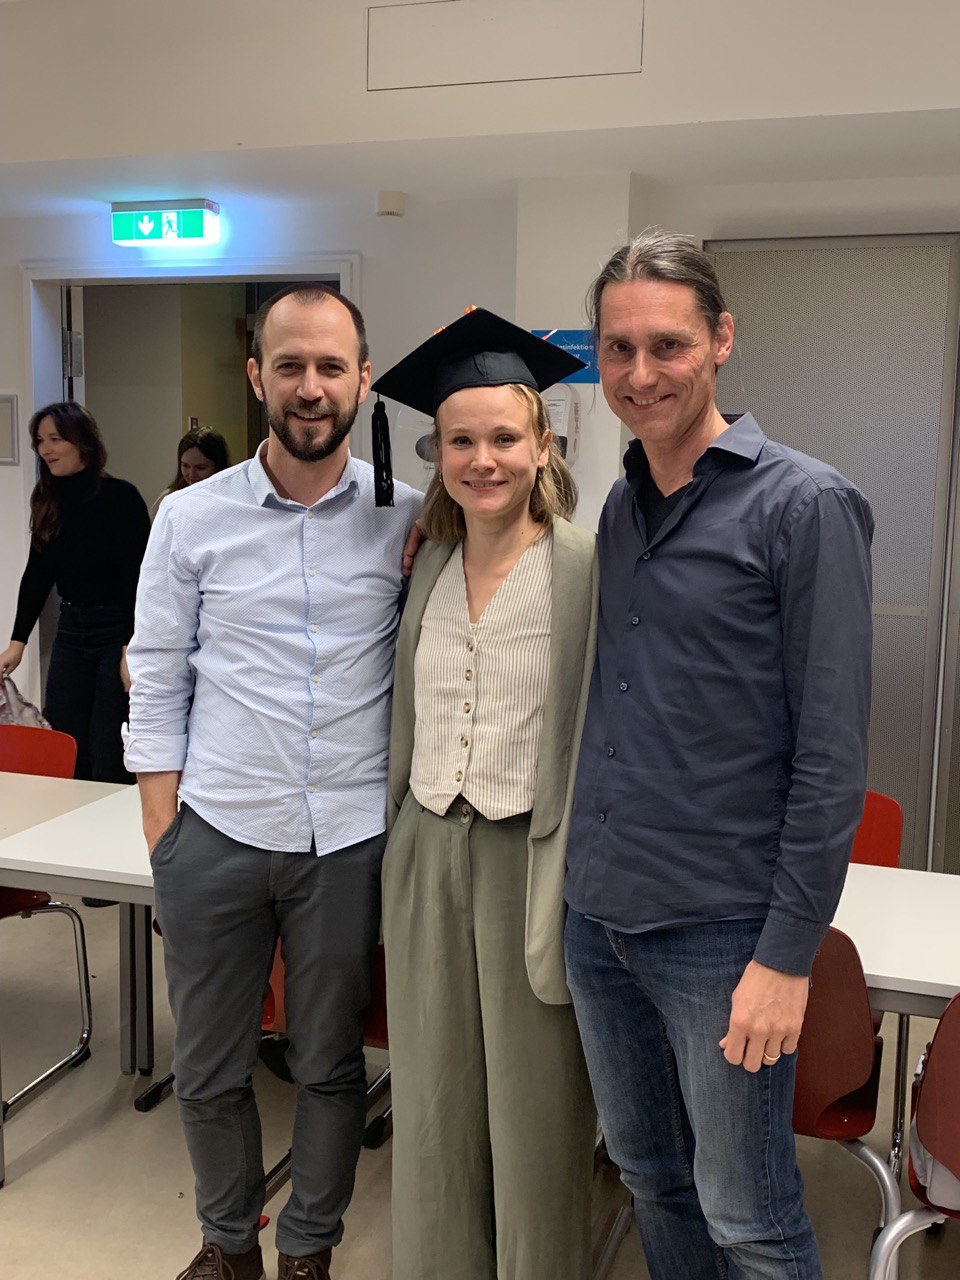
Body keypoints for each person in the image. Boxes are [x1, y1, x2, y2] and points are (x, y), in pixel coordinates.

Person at [563, 229, 874, 1280]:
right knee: (652, 1174)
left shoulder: (804, 504)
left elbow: (830, 759)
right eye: (618, 349)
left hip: (722, 934)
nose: (640, 373)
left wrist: (786, 955)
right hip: (600, 918)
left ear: (721, 340)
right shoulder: (619, 505)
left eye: (667, 345)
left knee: (750, 1215)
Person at [123, 282, 421, 1280]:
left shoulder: (409, 519)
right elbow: (156, 670)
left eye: (330, 366)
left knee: (329, 1062)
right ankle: (227, 1240)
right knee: (208, 1065)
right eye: (289, 364)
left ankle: (307, 1250)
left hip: (345, 841)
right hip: (214, 829)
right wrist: (165, 829)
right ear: (257, 377)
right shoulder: (190, 516)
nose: (309, 385)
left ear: (362, 379)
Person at [374, 308, 598, 1280]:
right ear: (439, 450)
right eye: (460, 440)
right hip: (427, 846)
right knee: (432, 1100)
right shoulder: (425, 559)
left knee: (536, 1107)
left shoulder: (587, 569)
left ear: (542, 440)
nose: (484, 458)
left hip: (530, 855)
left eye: (505, 436)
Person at [0, 401, 150, 782]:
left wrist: (132, 646)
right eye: (39, 441)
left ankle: (109, 826)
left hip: (116, 630)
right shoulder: (48, 498)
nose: (44, 449)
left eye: (54, 439)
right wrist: (17, 642)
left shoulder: (121, 498)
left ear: (82, 443)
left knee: (107, 739)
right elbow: (37, 575)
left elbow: (140, 578)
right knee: (64, 733)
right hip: (72, 629)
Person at [151, 425, 231, 517]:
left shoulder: (233, 500)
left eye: (200, 468)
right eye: (185, 466)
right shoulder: (168, 499)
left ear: (218, 466)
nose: (191, 475)